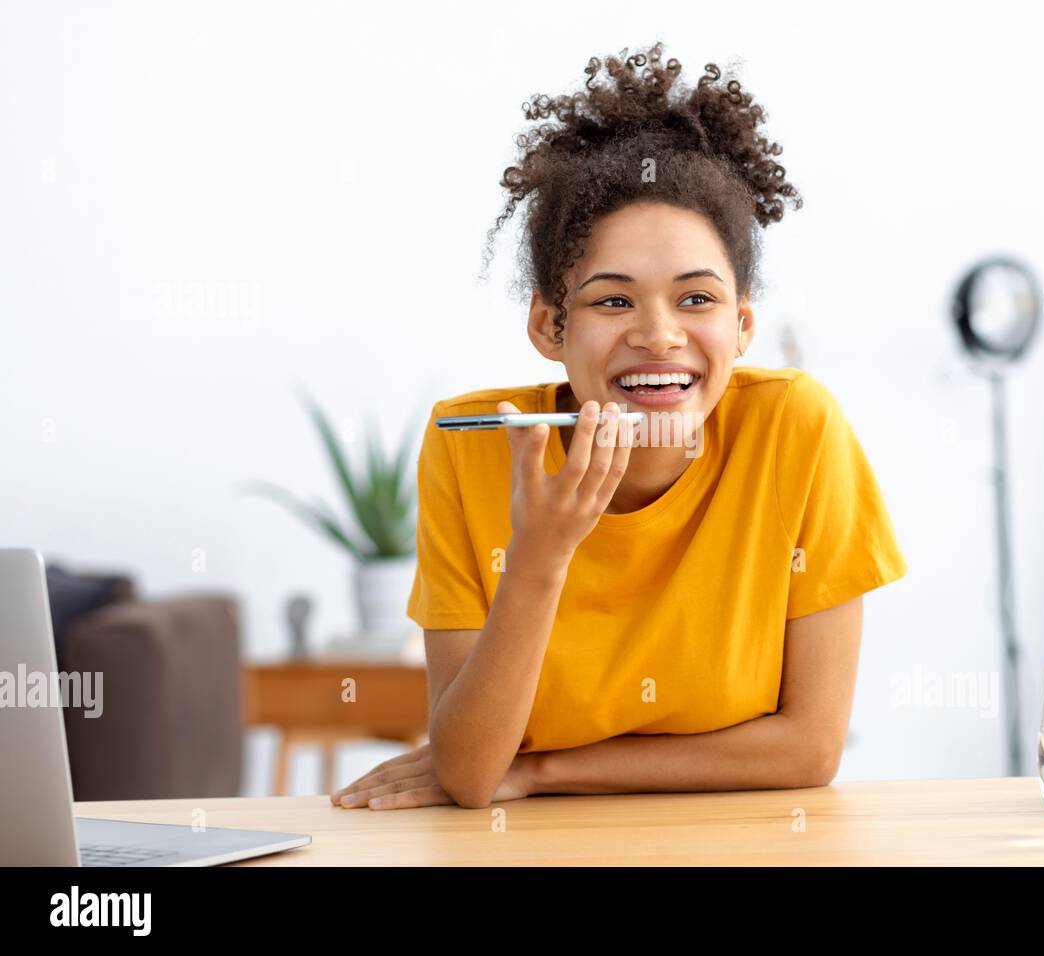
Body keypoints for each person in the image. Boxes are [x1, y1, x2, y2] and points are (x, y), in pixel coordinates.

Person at [331, 41, 906, 810]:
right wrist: (539, 554)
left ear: (741, 326)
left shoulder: (797, 430)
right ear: (548, 326)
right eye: (612, 300)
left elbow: (809, 748)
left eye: (696, 300)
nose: (660, 335)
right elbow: (469, 773)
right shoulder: (474, 449)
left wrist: (543, 770)